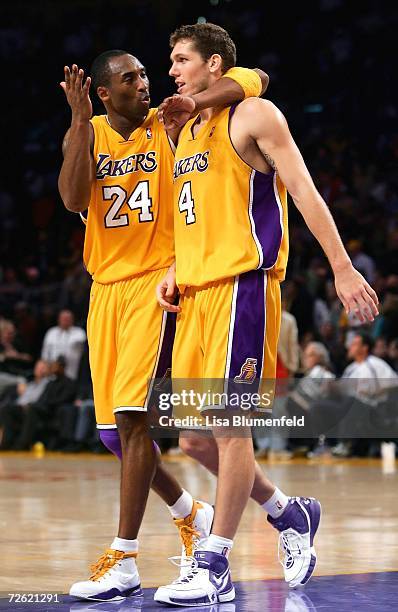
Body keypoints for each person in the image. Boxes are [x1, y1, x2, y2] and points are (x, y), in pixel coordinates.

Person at [155, 22, 379, 606]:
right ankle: (290, 513)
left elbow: (304, 189)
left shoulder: (254, 115)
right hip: (197, 296)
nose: (173, 69)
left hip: (242, 290)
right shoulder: (185, 129)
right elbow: (192, 215)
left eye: (182, 59)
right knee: (195, 441)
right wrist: (175, 266)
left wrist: (342, 266)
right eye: (171, 60)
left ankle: (216, 563)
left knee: (231, 431)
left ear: (214, 64)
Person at [58, 50, 268, 601]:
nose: (145, 82)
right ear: (104, 94)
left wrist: (194, 98)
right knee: (113, 435)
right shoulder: (90, 131)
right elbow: (73, 197)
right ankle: (189, 511)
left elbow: (252, 78)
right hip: (104, 289)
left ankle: (124, 558)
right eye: (130, 78)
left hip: (157, 282)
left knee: (132, 420)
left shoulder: (168, 123)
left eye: (146, 73)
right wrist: (79, 122)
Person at [41, 309, 86, 380]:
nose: (65, 321)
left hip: (72, 373)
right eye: (63, 318)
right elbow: (45, 354)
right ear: (58, 319)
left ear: (72, 320)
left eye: (67, 318)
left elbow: (81, 352)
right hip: (51, 373)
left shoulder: (79, 333)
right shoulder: (51, 332)